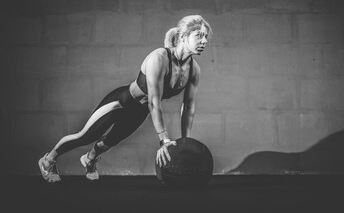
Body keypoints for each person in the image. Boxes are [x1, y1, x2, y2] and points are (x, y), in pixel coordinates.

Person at [38, 15, 213, 183]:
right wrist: (164, 139)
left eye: (206, 36)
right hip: (121, 102)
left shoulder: (193, 70)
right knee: (85, 136)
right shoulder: (159, 58)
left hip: (139, 111)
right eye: (199, 35)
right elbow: (154, 101)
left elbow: (188, 106)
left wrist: (185, 142)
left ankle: (89, 158)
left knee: (109, 142)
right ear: (183, 36)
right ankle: (48, 160)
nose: (204, 41)